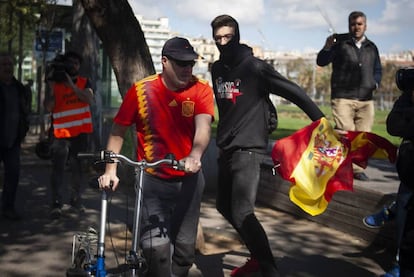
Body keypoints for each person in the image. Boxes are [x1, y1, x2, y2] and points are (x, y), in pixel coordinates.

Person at [210, 15, 325, 277]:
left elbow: (292, 90)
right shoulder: (217, 70)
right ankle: (258, 256)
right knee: (223, 207)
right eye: (218, 39)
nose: (223, 43)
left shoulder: (255, 67)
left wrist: (320, 119)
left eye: (228, 37)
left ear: (237, 36)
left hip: (249, 148)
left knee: (242, 211)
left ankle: (269, 269)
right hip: (226, 146)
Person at [98, 37, 214, 276]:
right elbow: (118, 131)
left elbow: (203, 127)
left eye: (190, 63)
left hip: (189, 180)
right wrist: (111, 170)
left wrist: (195, 154)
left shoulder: (201, 89)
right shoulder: (141, 91)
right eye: (181, 63)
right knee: (157, 253)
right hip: (152, 181)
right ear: (164, 62)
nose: (187, 69)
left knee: (184, 254)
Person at [316, 10, 382, 182]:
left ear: (365, 26)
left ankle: (357, 169)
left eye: (359, 24)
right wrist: (327, 47)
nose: (356, 27)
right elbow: (321, 61)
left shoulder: (372, 47)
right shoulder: (339, 43)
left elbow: (377, 69)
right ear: (349, 25)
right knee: (345, 133)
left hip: (366, 99)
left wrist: (375, 83)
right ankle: (341, 167)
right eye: (353, 24)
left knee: (363, 136)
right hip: (343, 97)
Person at [364, 71, 414, 277]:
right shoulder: (408, 94)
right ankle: (398, 265)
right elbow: (393, 126)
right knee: (405, 215)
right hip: (410, 173)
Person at [44, 50, 94, 219]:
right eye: (70, 62)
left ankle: (75, 199)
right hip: (61, 134)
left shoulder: (84, 82)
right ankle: (56, 203)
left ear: (79, 66)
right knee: (57, 169)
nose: (73, 65)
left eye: (76, 63)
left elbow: (88, 99)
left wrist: (71, 86)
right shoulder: (56, 84)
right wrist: (51, 89)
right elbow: (49, 107)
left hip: (80, 134)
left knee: (77, 169)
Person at [0, 52, 30, 220]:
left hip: (13, 141)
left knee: (13, 174)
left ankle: (8, 208)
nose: (7, 68)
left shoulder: (19, 88)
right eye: (4, 65)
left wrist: (23, 131)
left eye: (10, 65)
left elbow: (25, 112)